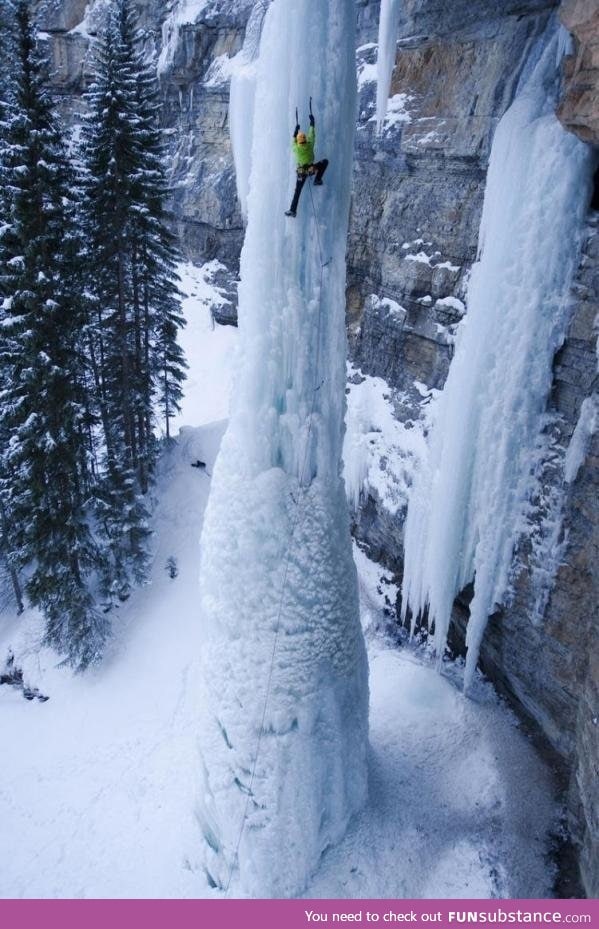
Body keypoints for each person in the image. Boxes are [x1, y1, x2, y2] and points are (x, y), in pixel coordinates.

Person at [285, 110, 329, 217]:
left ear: (299, 142)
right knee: (325, 162)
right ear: (305, 140)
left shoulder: (296, 148)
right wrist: (312, 123)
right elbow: (311, 134)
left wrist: (295, 131)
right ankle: (317, 179)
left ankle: (293, 210)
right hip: (311, 169)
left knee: (298, 191)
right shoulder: (309, 145)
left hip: (301, 173)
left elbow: (293, 141)